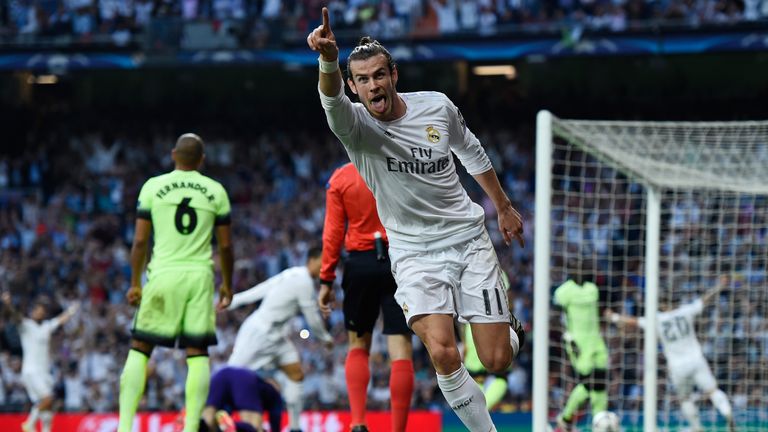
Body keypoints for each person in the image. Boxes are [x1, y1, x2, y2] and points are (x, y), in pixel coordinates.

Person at [307, 10, 526, 431]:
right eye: (363, 80)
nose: (373, 85)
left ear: (393, 74)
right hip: (412, 253)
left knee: (497, 360)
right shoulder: (355, 126)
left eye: (379, 75)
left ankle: (509, 327)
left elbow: (472, 151)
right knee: (443, 352)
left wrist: (502, 206)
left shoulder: (437, 107)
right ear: (355, 86)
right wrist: (328, 61)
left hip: (467, 239)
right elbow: (330, 97)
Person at [118, 133, 234, 432]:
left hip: (163, 275)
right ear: (202, 160)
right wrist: (227, 283)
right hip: (199, 276)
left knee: (140, 347)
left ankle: (125, 426)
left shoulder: (153, 187)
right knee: (197, 353)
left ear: (173, 155)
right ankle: (192, 426)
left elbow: (141, 241)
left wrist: (135, 282)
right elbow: (226, 246)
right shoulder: (216, 191)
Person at [317, 162, 414, 432]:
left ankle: (358, 423)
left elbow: (333, 232)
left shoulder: (341, 177)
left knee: (358, 344)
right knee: (401, 348)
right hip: (399, 261)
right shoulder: (399, 165)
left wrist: (326, 279)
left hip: (360, 264)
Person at [607, 275, 734, 432]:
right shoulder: (685, 311)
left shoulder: (657, 319)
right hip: (696, 359)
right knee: (713, 390)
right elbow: (704, 300)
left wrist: (614, 317)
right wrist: (719, 286)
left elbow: (634, 322)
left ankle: (697, 428)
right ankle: (726, 412)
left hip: (677, 366)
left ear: (662, 304)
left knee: (685, 398)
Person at [227, 246, 333, 432]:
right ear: (311, 260)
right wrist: (325, 338)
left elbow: (263, 288)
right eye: (323, 262)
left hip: (277, 338)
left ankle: (294, 427)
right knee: (230, 377)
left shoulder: (293, 274)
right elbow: (312, 317)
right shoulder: (304, 282)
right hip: (259, 334)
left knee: (296, 374)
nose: (326, 267)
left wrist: (235, 300)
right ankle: (211, 419)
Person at [1, 292, 79, 432]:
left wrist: (72, 310)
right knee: (48, 398)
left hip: (44, 372)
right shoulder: (26, 325)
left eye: (42, 311)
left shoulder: (46, 327)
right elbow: (15, 316)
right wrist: (8, 304)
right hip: (31, 371)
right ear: (32, 312)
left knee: (47, 409)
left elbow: (61, 319)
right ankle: (30, 423)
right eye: (37, 310)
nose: (39, 313)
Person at [551, 265, 609, 432]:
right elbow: (555, 316)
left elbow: (597, 313)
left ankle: (599, 421)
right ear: (571, 271)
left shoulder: (592, 289)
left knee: (600, 382)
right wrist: (567, 336)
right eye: (578, 268)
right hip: (577, 342)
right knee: (588, 381)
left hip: (596, 340)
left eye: (584, 267)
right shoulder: (564, 291)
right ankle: (565, 419)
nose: (582, 270)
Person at [461, 271, 513, 411]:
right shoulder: (495, 269)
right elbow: (508, 299)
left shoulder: (464, 269)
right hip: (493, 325)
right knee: (500, 376)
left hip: (472, 328)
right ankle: (482, 414)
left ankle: (479, 416)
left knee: (477, 377)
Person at [201, 366, 284, 432]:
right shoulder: (275, 395)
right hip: (243, 378)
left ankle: (232, 426)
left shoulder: (261, 383)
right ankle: (235, 426)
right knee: (253, 427)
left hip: (220, 374)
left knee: (208, 420)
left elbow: (224, 413)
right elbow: (275, 423)